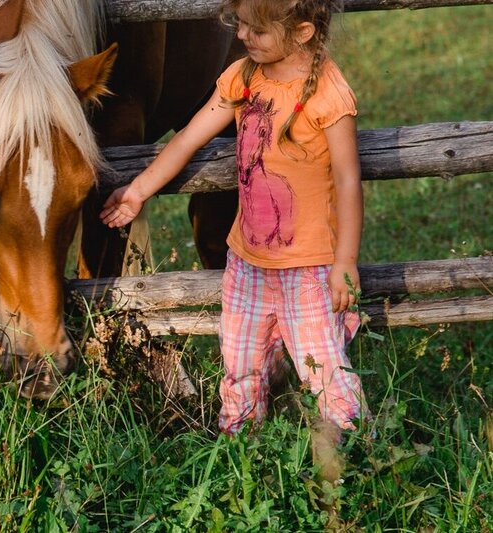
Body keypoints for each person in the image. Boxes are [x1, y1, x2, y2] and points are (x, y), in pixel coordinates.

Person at [100, 0, 366, 442]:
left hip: (309, 267)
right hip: (247, 262)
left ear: (301, 32)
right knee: (241, 363)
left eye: (255, 30)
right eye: (239, 24)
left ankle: (347, 454)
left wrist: (346, 261)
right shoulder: (243, 76)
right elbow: (188, 138)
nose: (241, 36)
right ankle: (239, 446)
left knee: (325, 369)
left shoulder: (328, 94)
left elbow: (348, 180)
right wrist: (138, 190)